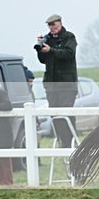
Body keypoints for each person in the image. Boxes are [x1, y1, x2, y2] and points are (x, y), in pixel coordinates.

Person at [35, 13, 78, 147]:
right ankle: (62, 141)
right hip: (52, 85)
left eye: (54, 24)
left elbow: (68, 54)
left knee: (66, 113)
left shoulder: (69, 37)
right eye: (49, 25)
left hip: (66, 85)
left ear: (60, 23)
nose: (52, 27)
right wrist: (40, 49)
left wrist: (51, 50)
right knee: (54, 115)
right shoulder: (48, 39)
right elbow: (43, 60)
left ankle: (71, 142)